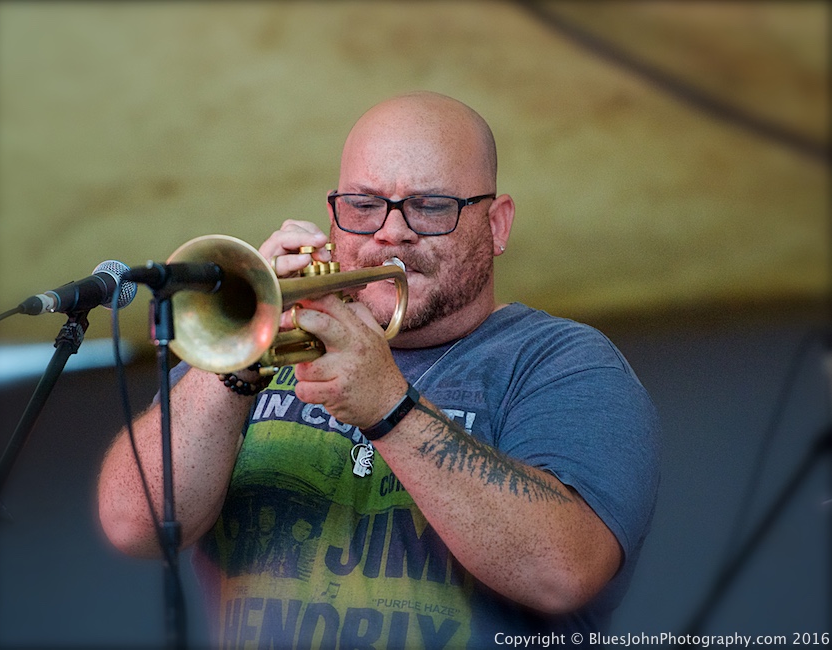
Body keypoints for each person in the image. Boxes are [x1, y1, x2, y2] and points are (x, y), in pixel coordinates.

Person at [98, 91, 660, 649]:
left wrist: (391, 408)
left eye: (431, 205)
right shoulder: (258, 353)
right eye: (364, 206)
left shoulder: (560, 361)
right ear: (333, 217)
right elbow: (134, 524)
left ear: (497, 224)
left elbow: (562, 571)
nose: (391, 233)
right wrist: (239, 361)